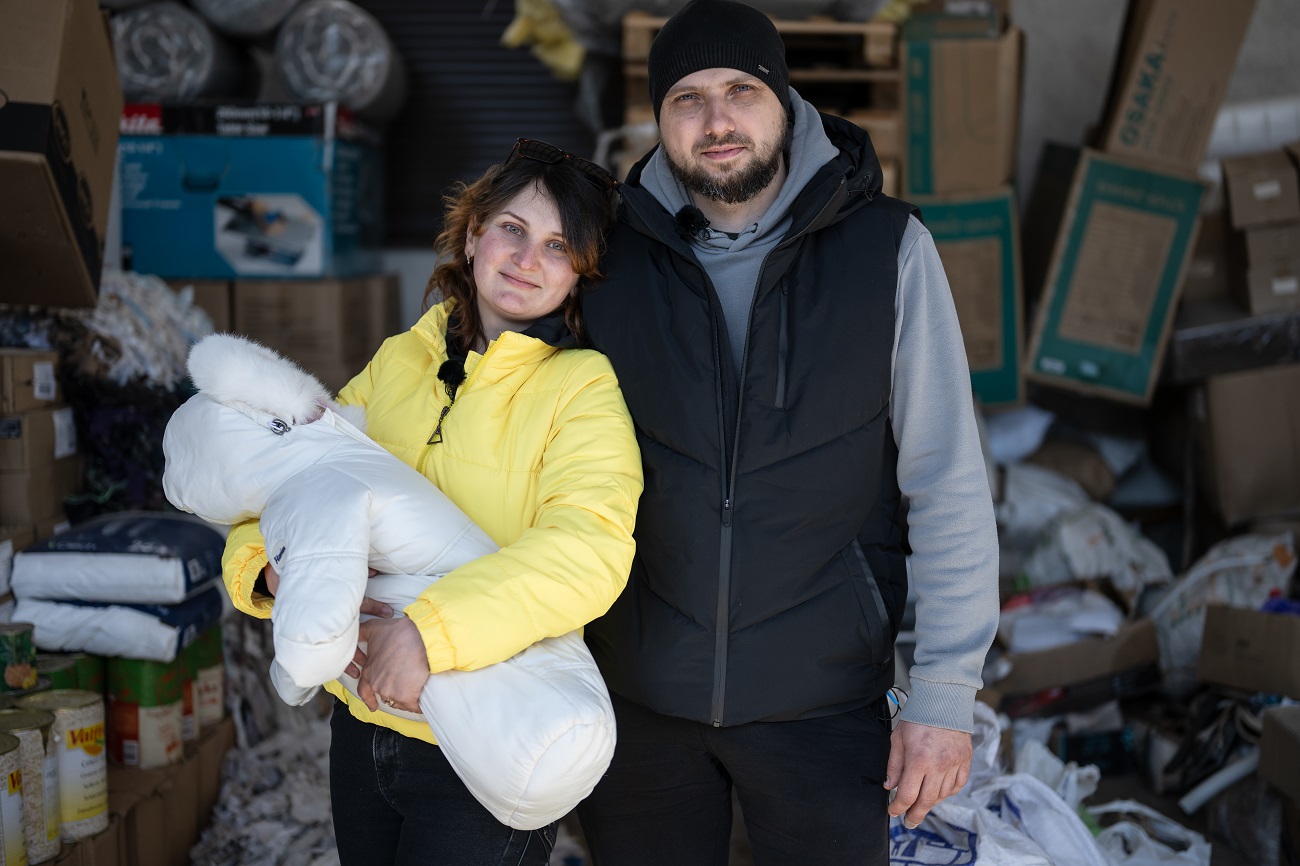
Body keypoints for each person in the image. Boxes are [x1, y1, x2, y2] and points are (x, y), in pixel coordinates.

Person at [574, 1, 1000, 864]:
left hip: (824, 700)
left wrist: (945, 694)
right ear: (658, 120)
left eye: (741, 90)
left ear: (786, 102)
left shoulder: (887, 250)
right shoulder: (604, 257)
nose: (717, 120)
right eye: (687, 98)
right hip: (638, 695)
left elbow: (946, 478)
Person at [217, 139, 643, 865]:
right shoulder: (400, 359)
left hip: (479, 735)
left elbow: (587, 553)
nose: (527, 259)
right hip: (361, 721)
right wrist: (270, 566)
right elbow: (291, 474)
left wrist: (428, 636)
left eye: (557, 246)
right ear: (473, 234)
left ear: (581, 271)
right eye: (512, 229)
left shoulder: (582, 389)